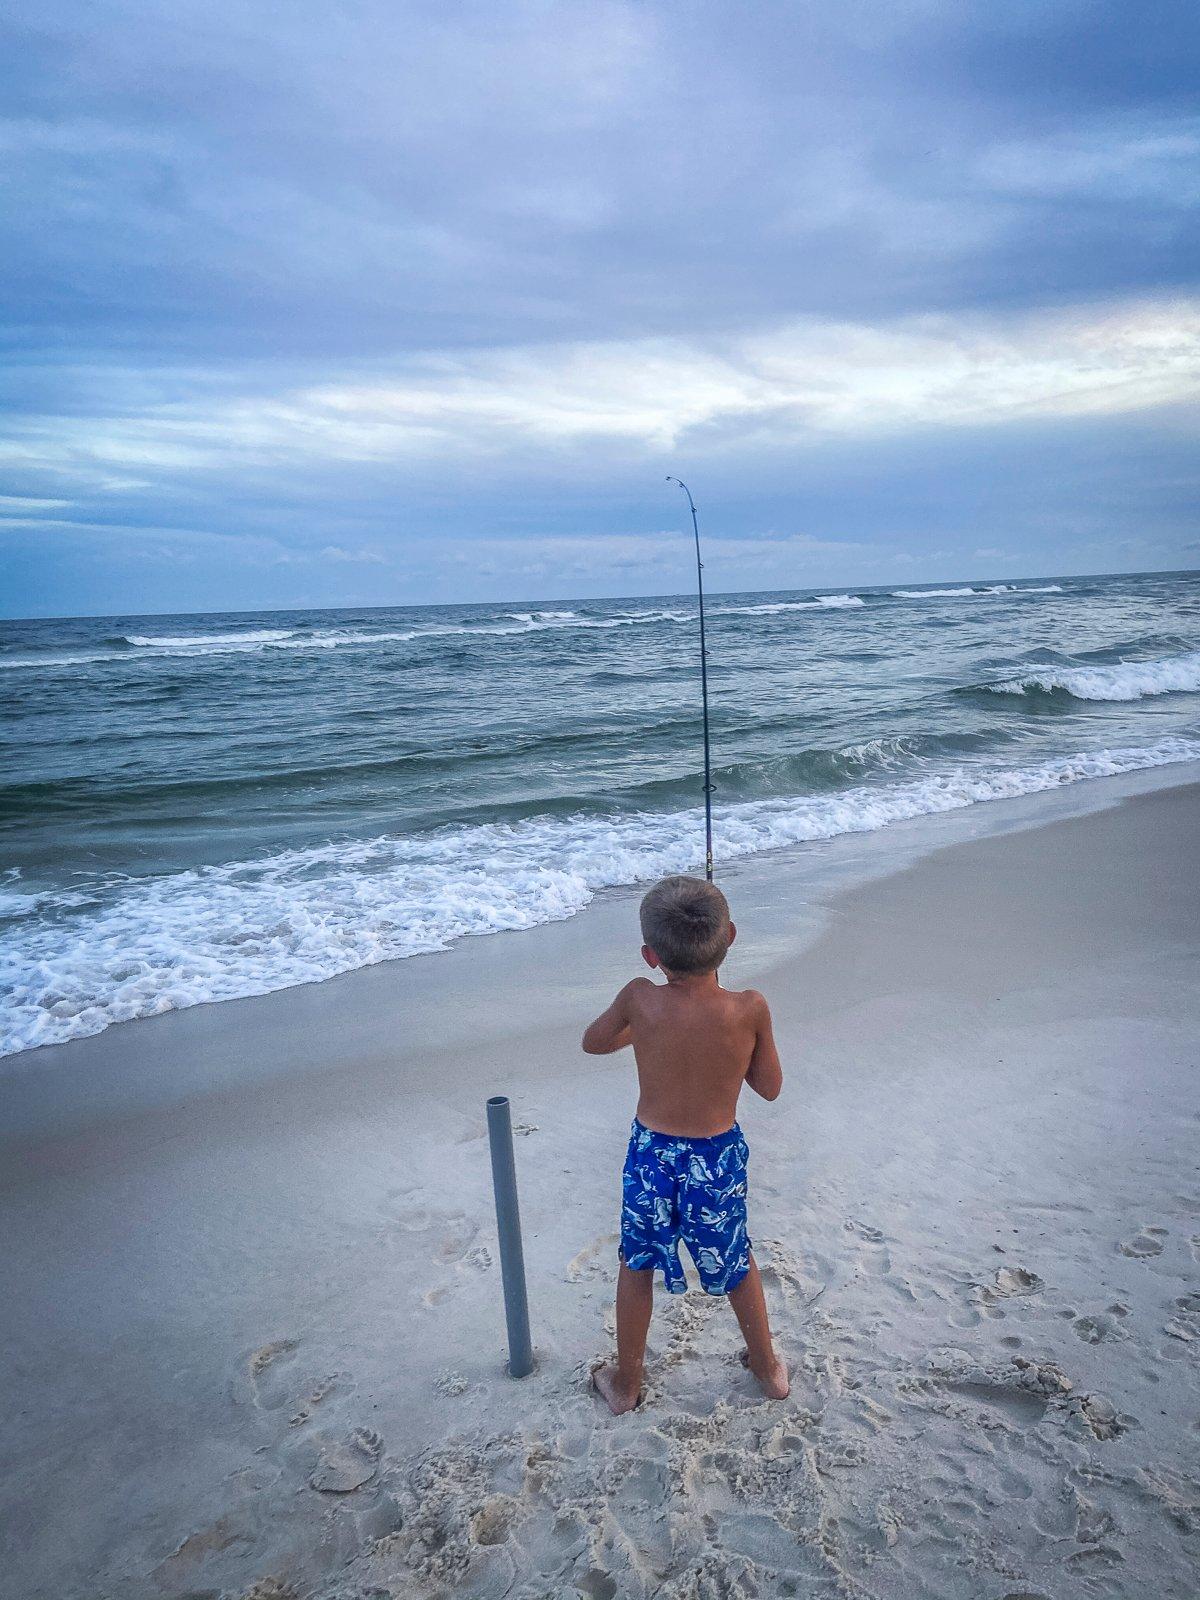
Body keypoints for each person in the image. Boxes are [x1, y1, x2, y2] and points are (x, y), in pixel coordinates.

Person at [582, 873, 787, 1414]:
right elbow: (769, 1087)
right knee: (737, 1262)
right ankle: (768, 1372)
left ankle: (626, 1385)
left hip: (652, 1157)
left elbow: (594, 1042)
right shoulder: (750, 1008)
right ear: (732, 937)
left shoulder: (639, 999)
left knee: (637, 1264)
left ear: (650, 955)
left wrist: (645, 1029)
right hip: (716, 1158)